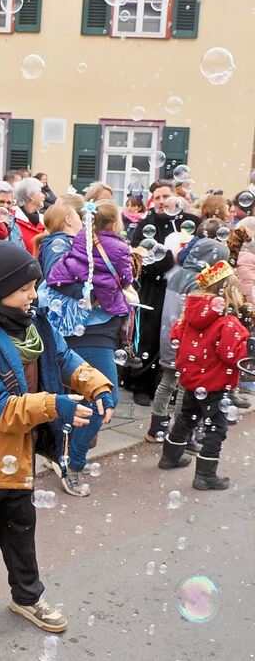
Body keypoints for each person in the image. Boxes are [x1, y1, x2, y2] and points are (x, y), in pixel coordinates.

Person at [0, 241, 113, 649]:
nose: (34, 294)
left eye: (34, 285)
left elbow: (64, 359)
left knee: (22, 531)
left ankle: (28, 598)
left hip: (19, 456)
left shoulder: (35, 321)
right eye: (26, 287)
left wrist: (96, 384)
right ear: (0, 290)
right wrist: (54, 405)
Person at [47, 200, 132, 495]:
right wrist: (95, 290)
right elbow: (125, 278)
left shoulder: (80, 243)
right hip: (92, 334)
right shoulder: (71, 243)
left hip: (94, 332)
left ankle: (62, 452)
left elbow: (59, 275)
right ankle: (72, 464)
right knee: (104, 399)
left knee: (85, 398)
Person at [159, 261, 249, 491]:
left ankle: (170, 457)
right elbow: (232, 355)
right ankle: (205, 475)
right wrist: (247, 345)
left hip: (192, 380)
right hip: (215, 384)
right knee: (216, 428)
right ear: (230, 290)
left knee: (186, 418)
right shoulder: (226, 321)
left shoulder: (190, 312)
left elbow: (176, 335)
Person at [123, 180, 200, 405]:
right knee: (149, 332)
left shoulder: (189, 221)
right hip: (153, 287)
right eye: (156, 197)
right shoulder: (147, 222)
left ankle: (170, 384)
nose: (161, 202)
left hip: (181, 287)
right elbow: (141, 256)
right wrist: (170, 259)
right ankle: (141, 383)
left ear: (175, 196)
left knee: (176, 334)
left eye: (165, 196)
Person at [148, 231, 228, 446]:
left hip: (169, 335)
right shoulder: (200, 281)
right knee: (185, 388)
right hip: (187, 341)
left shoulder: (178, 273)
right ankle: (180, 434)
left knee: (167, 382)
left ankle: (156, 427)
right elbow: (197, 316)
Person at [34, 198, 84, 278]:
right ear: (68, 220)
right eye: (78, 218)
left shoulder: (66, 242)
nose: (81, 222)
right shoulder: (60, 243)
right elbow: (56, 277)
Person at [12, 177, 46, 253]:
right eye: (40, 192)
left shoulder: (44, 220)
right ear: (30, 195)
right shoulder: (12, 219)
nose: (44, 196)